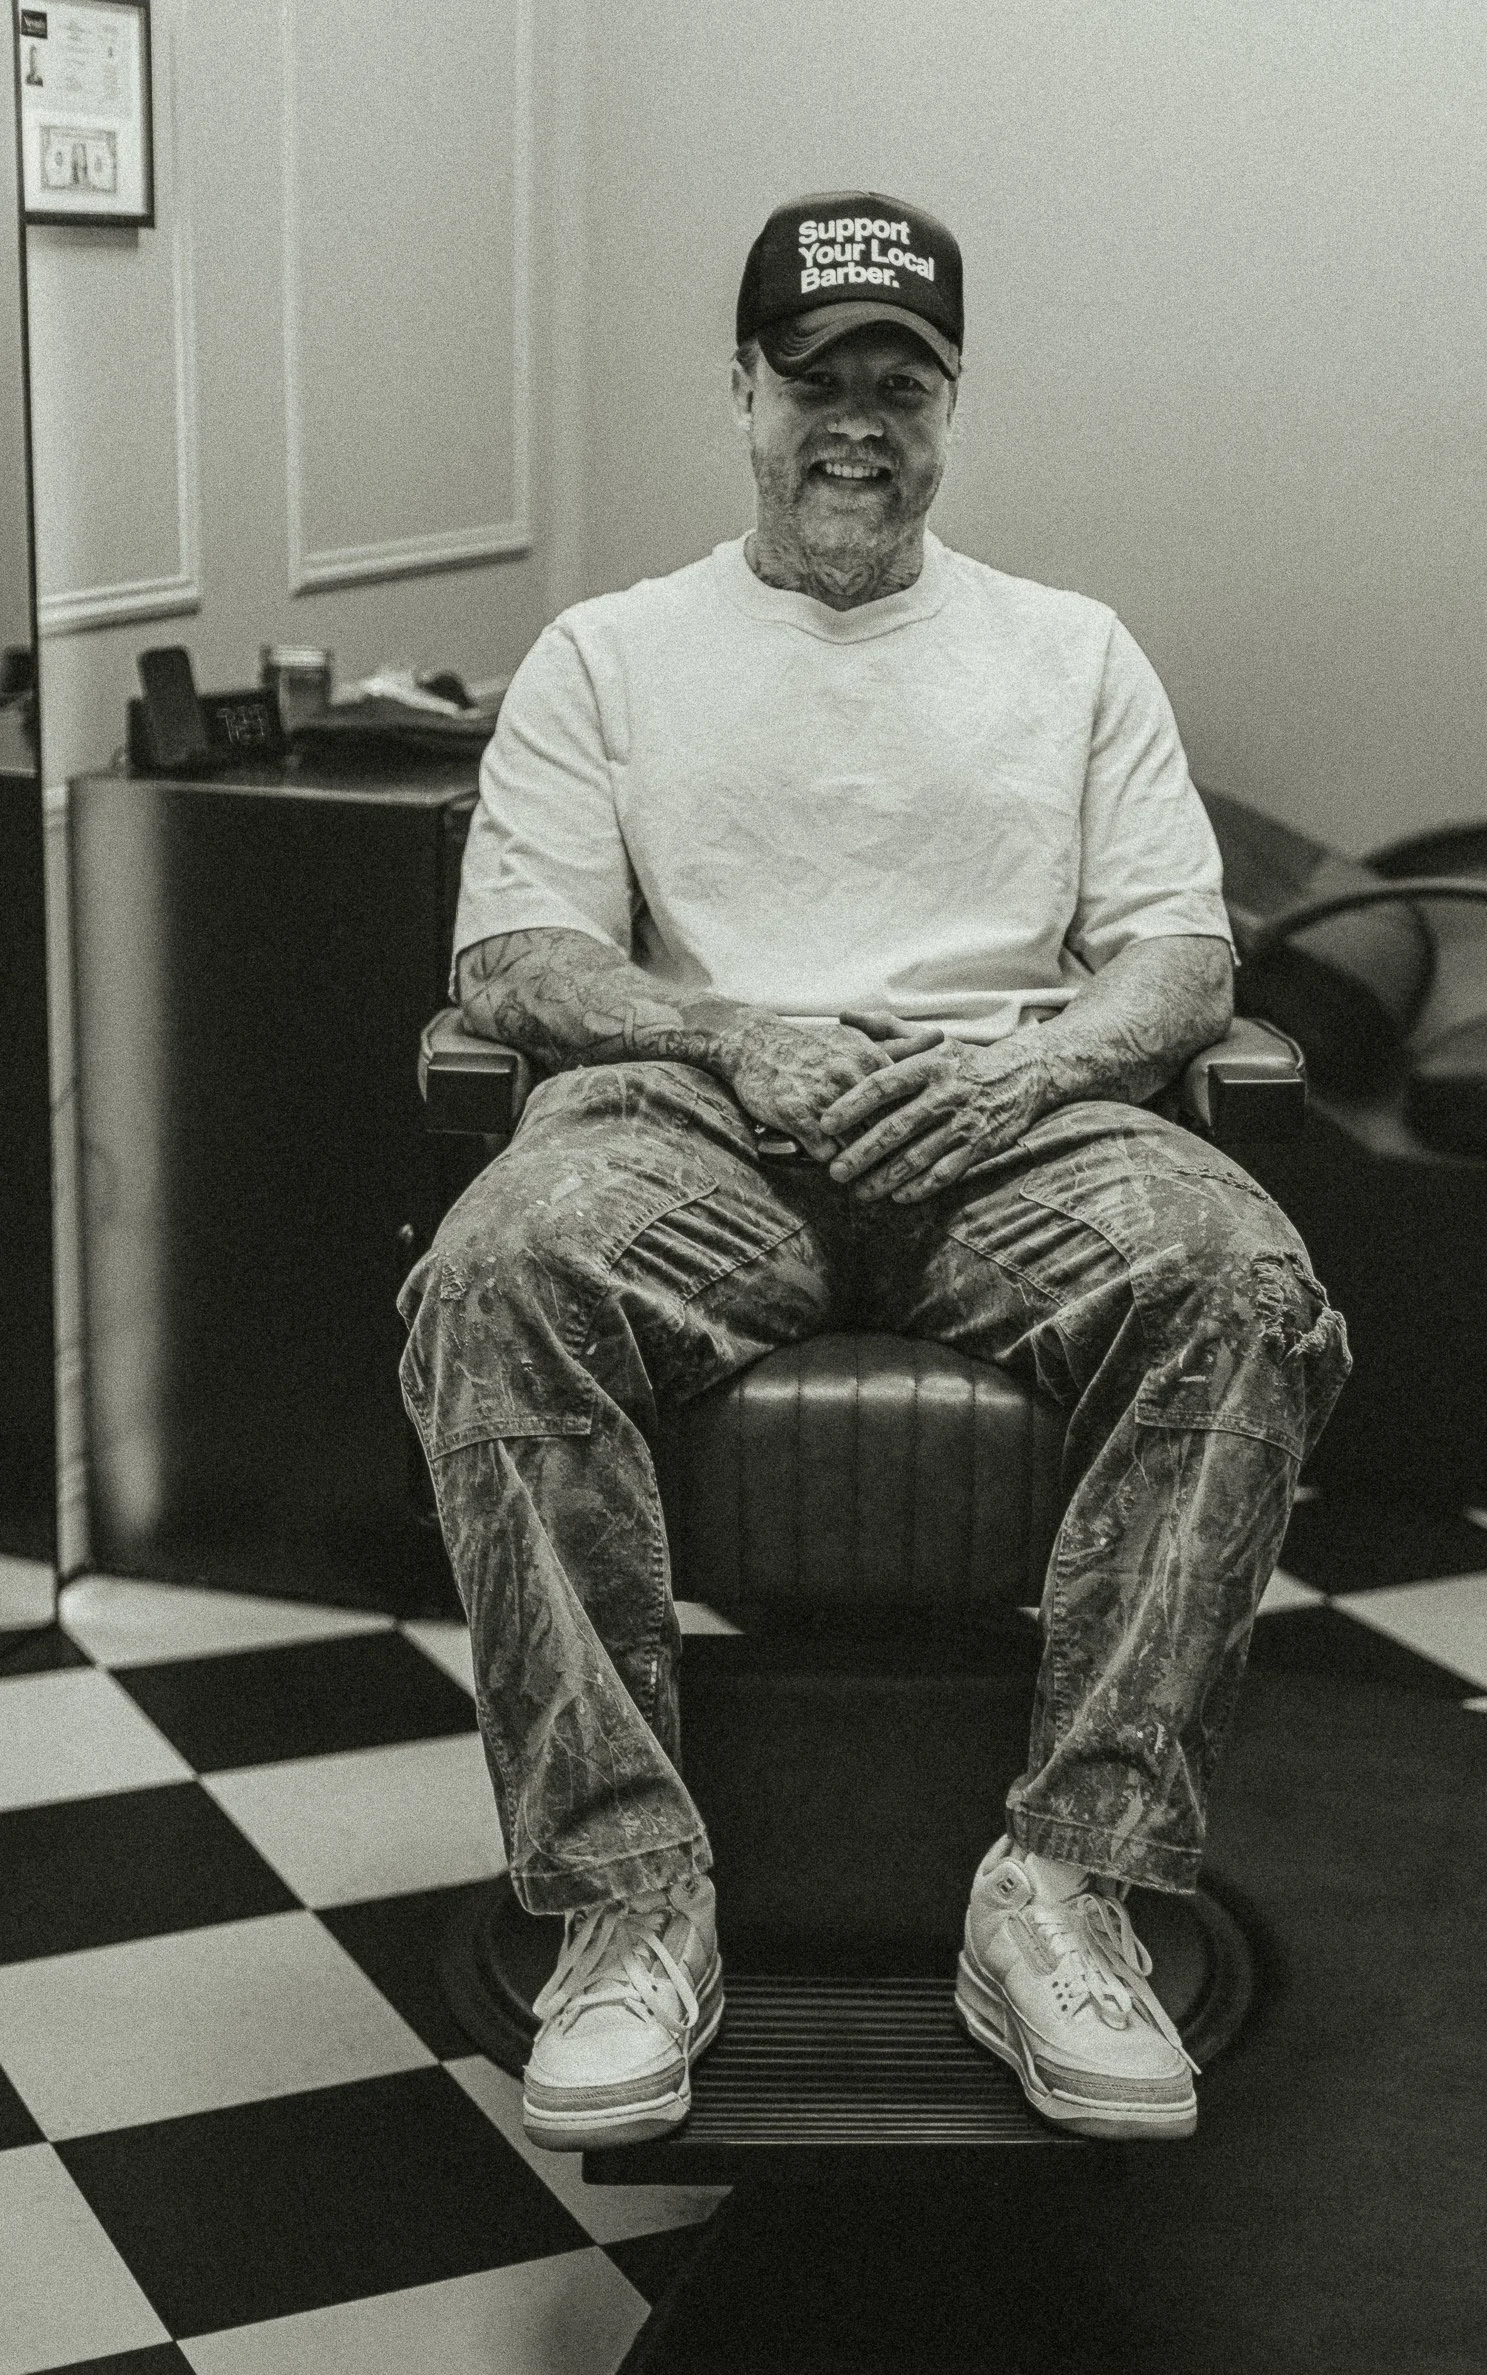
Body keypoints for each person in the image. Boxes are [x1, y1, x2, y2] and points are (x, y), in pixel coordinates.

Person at [399, 190, 1351, 2151]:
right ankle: (630, 1898)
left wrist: (1028, 1075)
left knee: (1239, 1282)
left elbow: (1181, 958)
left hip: (1009, 1130)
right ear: (740, 390)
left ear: (947, 405)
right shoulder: (609, 652)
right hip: (691, 1124)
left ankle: (1061, 1884)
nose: (856, 420)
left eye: (897, 381)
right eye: (813, 376)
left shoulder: (1066, 651)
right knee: (494, 1270)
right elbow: (514, 955)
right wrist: (734, 1034)